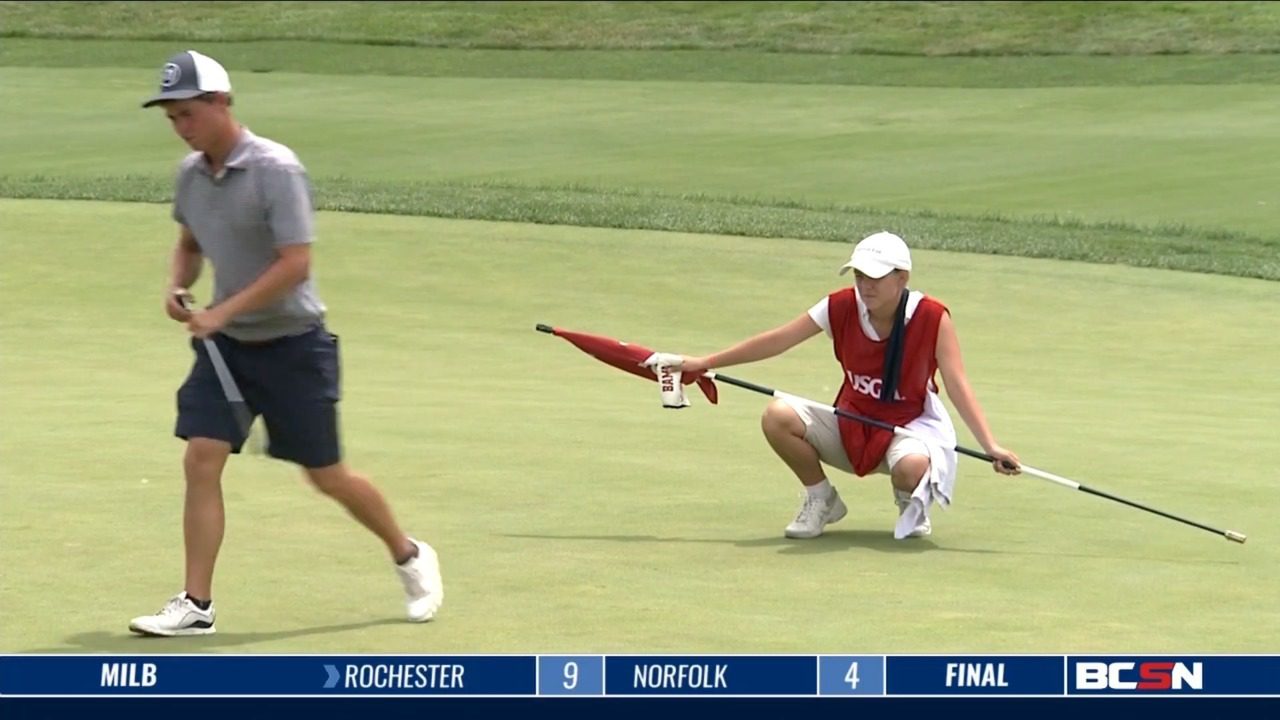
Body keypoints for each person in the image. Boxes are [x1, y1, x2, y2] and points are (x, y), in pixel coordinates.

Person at [129, 50, 442, 636]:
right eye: (172, 117)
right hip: (226, 349)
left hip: (294, 344)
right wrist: (177, 284)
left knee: (325, 475)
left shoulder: (277, 168)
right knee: (201, 456)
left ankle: (408, 554)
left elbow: (295, 264)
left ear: (222, 103)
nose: (181, 127)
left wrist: (221, 311)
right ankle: (197, 604)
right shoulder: (191, 174)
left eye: (189, 113)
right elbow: (190, 240)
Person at [671, 231, 1021, 540]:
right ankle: (822, 499)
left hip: (908, 427)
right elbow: (778, 340)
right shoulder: (840, 306)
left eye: (876, 277)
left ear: (902, 278)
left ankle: (909, 502)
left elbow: (957, 383)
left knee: (911, 469)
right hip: (851, 421)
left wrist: (990, 445)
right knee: (777, 416)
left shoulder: (931, 317)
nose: (865, 285)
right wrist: (706, 362)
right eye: (859, 275)